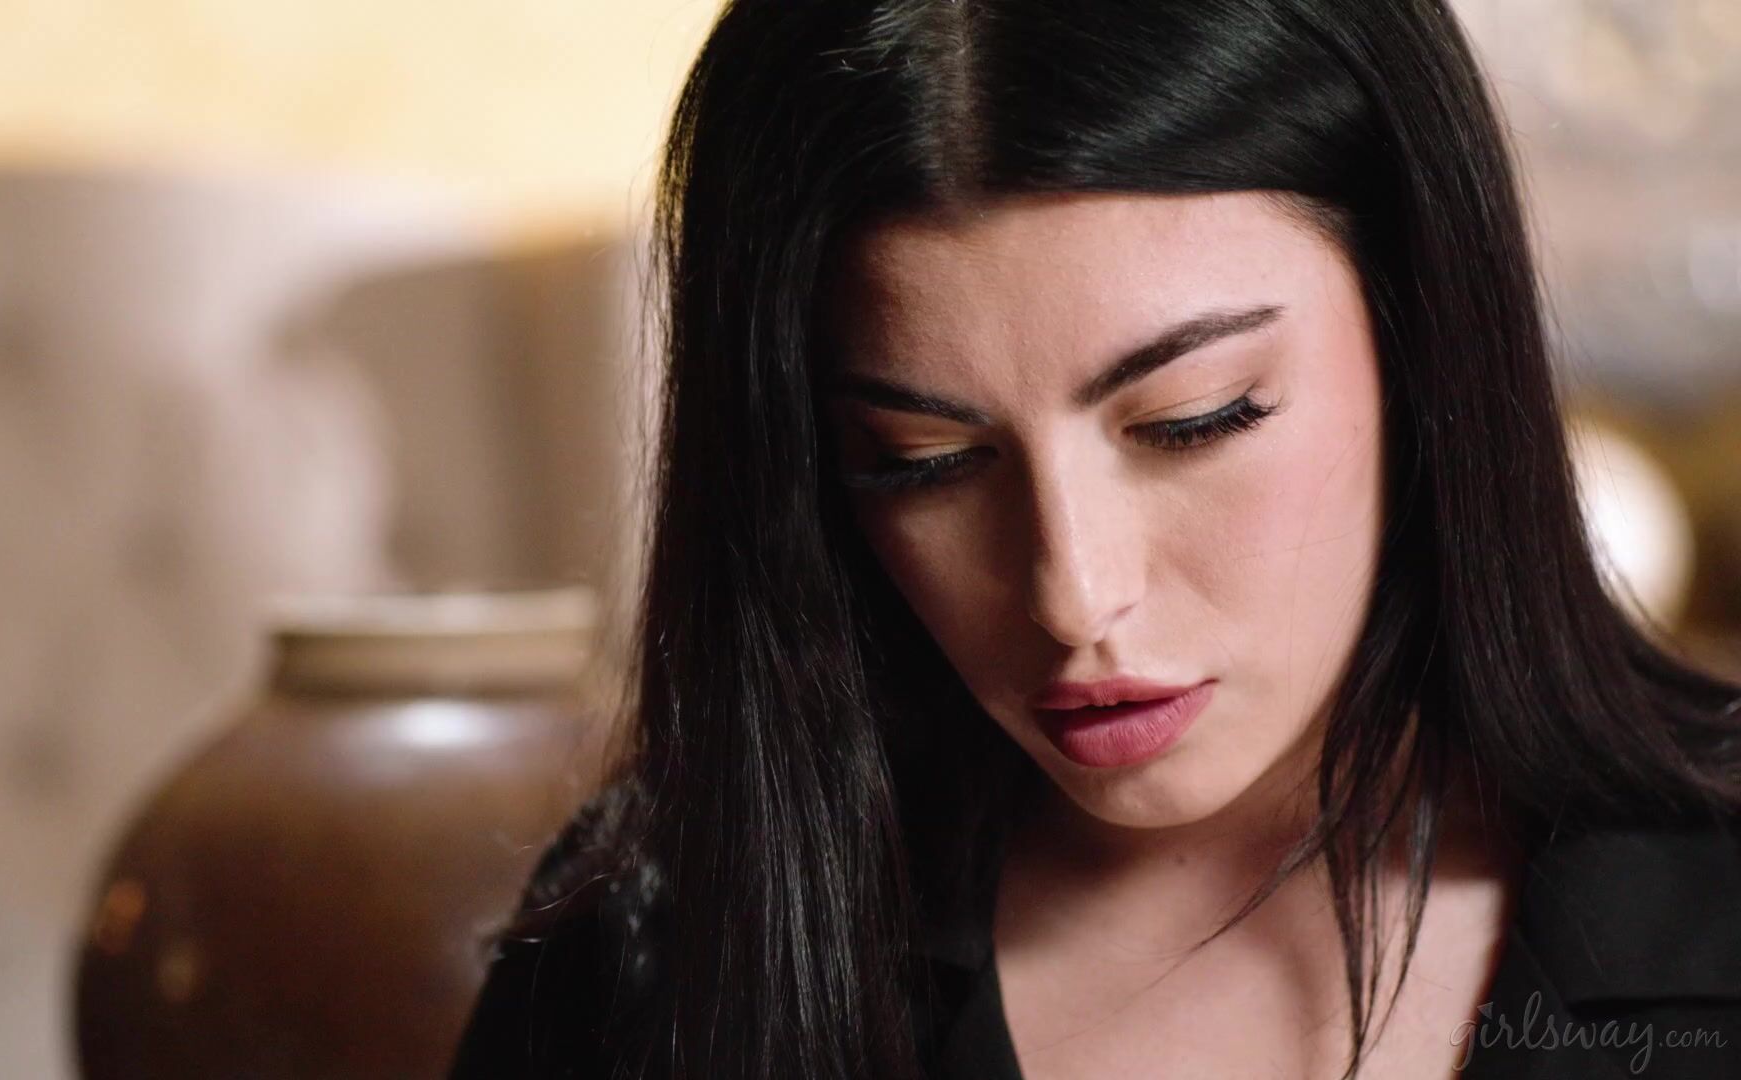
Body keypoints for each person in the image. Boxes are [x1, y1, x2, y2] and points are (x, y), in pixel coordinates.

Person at [449, 1, 1741, 1077]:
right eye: (923, 462)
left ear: (1425, 334)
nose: (1073, 595)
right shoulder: (657, 957)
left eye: (1194, 420)